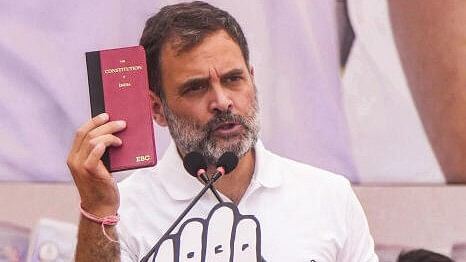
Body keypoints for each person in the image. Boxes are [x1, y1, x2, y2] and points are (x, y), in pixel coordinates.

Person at [66, 1, 377, 261]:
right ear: (157, 109)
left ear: (252, 80)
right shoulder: (125, 210)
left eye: (233, 79)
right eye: (196, 87)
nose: (222, 101)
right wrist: (98, 211)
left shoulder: (328, 196)